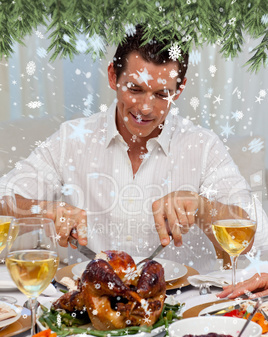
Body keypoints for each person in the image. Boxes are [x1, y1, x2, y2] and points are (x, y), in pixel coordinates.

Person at [1, 25, 267, 272]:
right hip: (89, 310)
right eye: (135, 89)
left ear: (180, 90)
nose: (145, 108)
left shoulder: (203, 146)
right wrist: (45, 210)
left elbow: (257, 238)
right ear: (112, 76)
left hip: (186, 307)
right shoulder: (71, 139)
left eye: (162, 94)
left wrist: (202, 207)